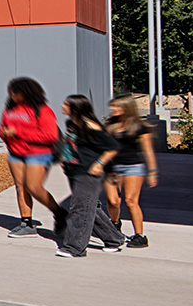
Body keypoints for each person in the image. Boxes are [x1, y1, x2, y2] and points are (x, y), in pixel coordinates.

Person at [56, 95, 127, 259]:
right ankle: (114, 239)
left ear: (75, 108)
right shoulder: (71, 123)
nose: (62, 105)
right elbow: (71, 144)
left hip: (87, 173)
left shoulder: (91, 126)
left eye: (66, 103)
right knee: (90, 207)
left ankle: (75, 248)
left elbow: (113, 147)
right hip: (74, 171)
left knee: (80, 209)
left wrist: (100, 163)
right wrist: (64, 158)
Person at [0, 77, 65, 237]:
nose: (11, 95)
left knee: (34, 187)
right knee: (20, 187)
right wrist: (4, 133)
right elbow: (2, 128)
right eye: (11, 92)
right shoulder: (9, 110)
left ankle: (60, 213)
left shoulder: (42, 110)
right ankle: (26, 223)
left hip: (38, 154)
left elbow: (50, 136)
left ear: (25, 92)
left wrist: (18, 133)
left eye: (14, 92)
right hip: (15, 154)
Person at [102, 95, 158, 248]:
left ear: (127, 108)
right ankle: (114, 223)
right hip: (111, 168)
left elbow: (148, 150)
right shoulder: (109, 125)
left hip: (132, 167)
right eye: (112, 107)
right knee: (113, 201)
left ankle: (140, 236)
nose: (113, 110)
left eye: (117, 107)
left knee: (130, 201)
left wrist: (152, 171)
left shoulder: (139, 127)